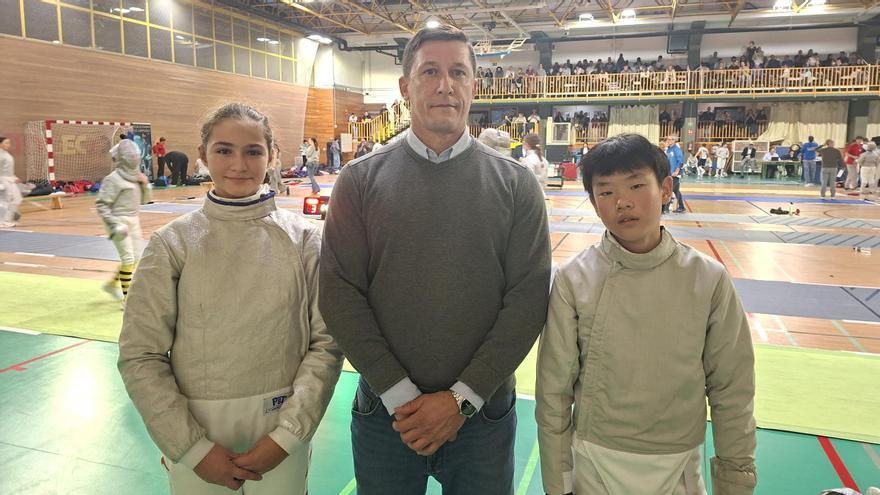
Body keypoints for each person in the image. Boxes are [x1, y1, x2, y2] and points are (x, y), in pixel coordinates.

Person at [319, 25, 550, 495]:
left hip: (482, 417)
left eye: (458, 72)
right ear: (405, 87)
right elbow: (340, 295)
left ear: (473, 85)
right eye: (430, 72)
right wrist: (401, 396)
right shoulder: (359, 182)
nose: (445, 84)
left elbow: (527, 301)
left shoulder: (517, 185)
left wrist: (462, 400)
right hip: (388, 416)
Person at [118, 102, 343, 494]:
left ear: (271, 156)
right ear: (203, 154)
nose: (239, 163)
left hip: (280, 431)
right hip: (197, 430)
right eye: (224, 150)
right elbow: (141, 355)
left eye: (253, 151)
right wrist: (190, 448)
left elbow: (326, 344)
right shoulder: (171, 244)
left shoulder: (306, 239)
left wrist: (286, 437)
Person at [536, 133, 757, 495]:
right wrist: (558, 486)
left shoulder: (708, 278)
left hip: (678, 464)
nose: (623, 202)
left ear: (666, 188)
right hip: (593, 463)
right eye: (605, 192)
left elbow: (733, 390)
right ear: (593, 203)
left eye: (637, 185)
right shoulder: (573, 279)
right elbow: (553, 391)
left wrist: (735, 482)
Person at [95, 140, 151, 306]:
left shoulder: (136, 178)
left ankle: (111, 285)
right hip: (117, 220)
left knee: (136, 258)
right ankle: (128, 300)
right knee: (128, 260)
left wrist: (145, 185)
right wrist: (114, 224)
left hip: (134, 219)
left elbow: (145, 201)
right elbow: (102, 205)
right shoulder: (112, 179)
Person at [0, 136, 23, 229]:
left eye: (9, 143)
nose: (8, 145)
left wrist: (14, 178)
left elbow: (8, 170)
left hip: (10, 179)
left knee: (17, 199)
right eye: (6, 143)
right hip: (3, 180)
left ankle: (8, 220)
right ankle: (2, 221)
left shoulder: (6, 154)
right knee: (4, 201)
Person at [662, 135, 686, 213]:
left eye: (669, 139)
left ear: (674, 140)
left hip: (675, 174)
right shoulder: (668, 149)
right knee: (676, 191)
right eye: (667, 139)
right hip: (669, 173)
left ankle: (665, 208)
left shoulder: (676, 149)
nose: (667, 141)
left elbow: (681, 161)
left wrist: (677, 170)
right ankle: (682, 207)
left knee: (669, 190)